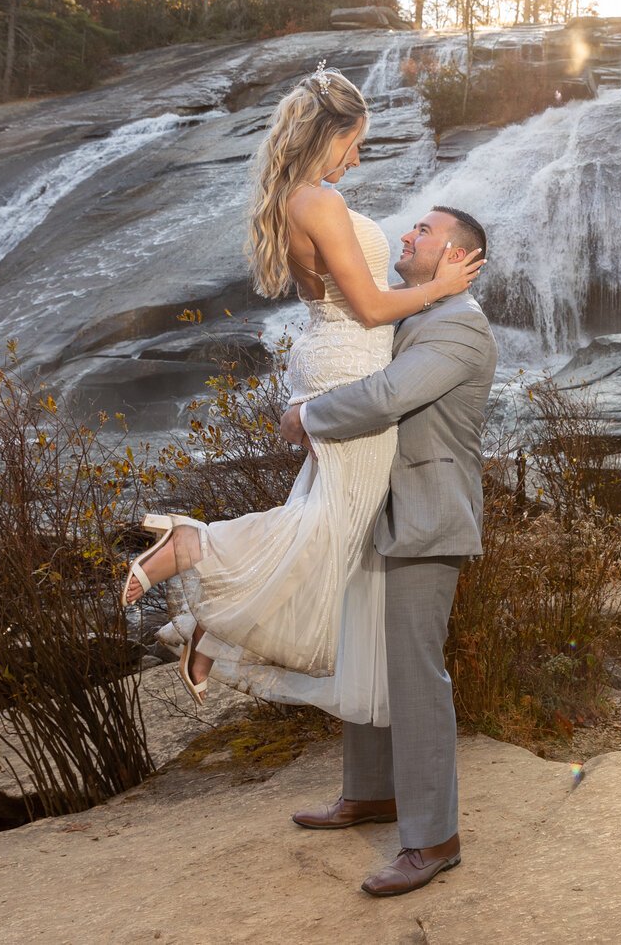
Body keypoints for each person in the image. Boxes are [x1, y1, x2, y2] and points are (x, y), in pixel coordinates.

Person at [119, 60, 483, 732]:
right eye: (355, 143)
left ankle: (213, 629)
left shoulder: (297, 199)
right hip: (348, 361)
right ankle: (191, 543)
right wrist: (441, 288)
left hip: (332, 357)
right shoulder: (319, 201)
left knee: (321, 521)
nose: (357, 156)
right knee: (333, 528)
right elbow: (372, 306)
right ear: (329, 134)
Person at [279, 204, 496, 898]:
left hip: (428, 519)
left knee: (413, 671)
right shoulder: (409, 317)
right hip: (378, 508)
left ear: (460, 255)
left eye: (425, 231)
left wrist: (308, 416)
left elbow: (389, 394)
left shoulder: (460, 327)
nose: (408, 234)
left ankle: (434, 836)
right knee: (364, 649)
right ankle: (371, 792)